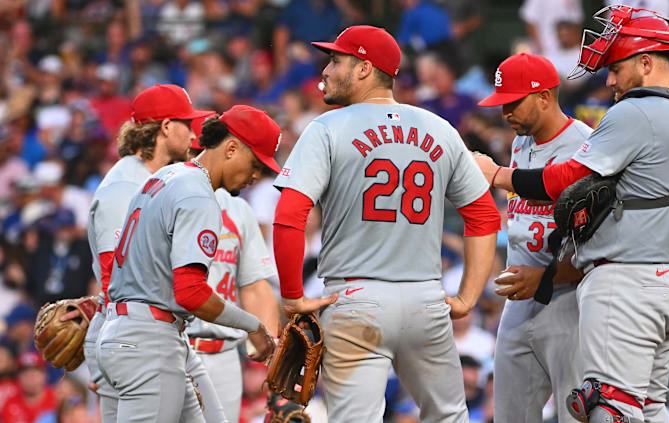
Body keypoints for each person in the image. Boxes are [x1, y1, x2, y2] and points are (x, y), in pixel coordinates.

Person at [474, 6, 669, 423]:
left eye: (616, 67)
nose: (610, 80)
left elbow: (568, 177)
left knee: (608, 409)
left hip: (626, 279)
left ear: (646, 61)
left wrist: (498, 175)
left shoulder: (635, 112)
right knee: (643, 411)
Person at [273, 25, 501, 422]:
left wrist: (293, 294)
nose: (325, 70)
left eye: (336, 60)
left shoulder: (327, 127)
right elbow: (483, 215)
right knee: (449, 415)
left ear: (364, 68)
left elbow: (290, 214)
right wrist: (466, 298)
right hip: (425, 300)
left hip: (356, 299)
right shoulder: (440, 129)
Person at [96, 105, 278, 422]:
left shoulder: (167, 175)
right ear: (231, 148)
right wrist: (254, 326)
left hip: (146, 332)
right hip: (148, 341)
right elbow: (190, 293)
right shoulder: (197, 194)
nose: (257, 176)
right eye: (256, 163)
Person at [83, 83, 222, 422]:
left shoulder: (157, 180)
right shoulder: (124, 188)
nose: (194, 134)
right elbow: (114, 276)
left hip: (158, 331)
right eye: (187, 124)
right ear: (164, 127)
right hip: (134, 335)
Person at [477, 53, 589, 423]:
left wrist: (544, 277)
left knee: (577, 415)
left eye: (514, 102)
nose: (505, 112)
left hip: (570, 299)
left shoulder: (586, 145)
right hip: (519, 298)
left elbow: (599, 244)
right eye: (502, 103)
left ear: (544, 97)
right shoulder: (520, 143)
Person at [185, 122, 280, 423]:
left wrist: (272, 357)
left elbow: (255, 286)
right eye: (254, 165)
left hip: (225, 355)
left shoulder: (238, 209)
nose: (256, 176)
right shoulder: (172, 194)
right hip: (175, 346)